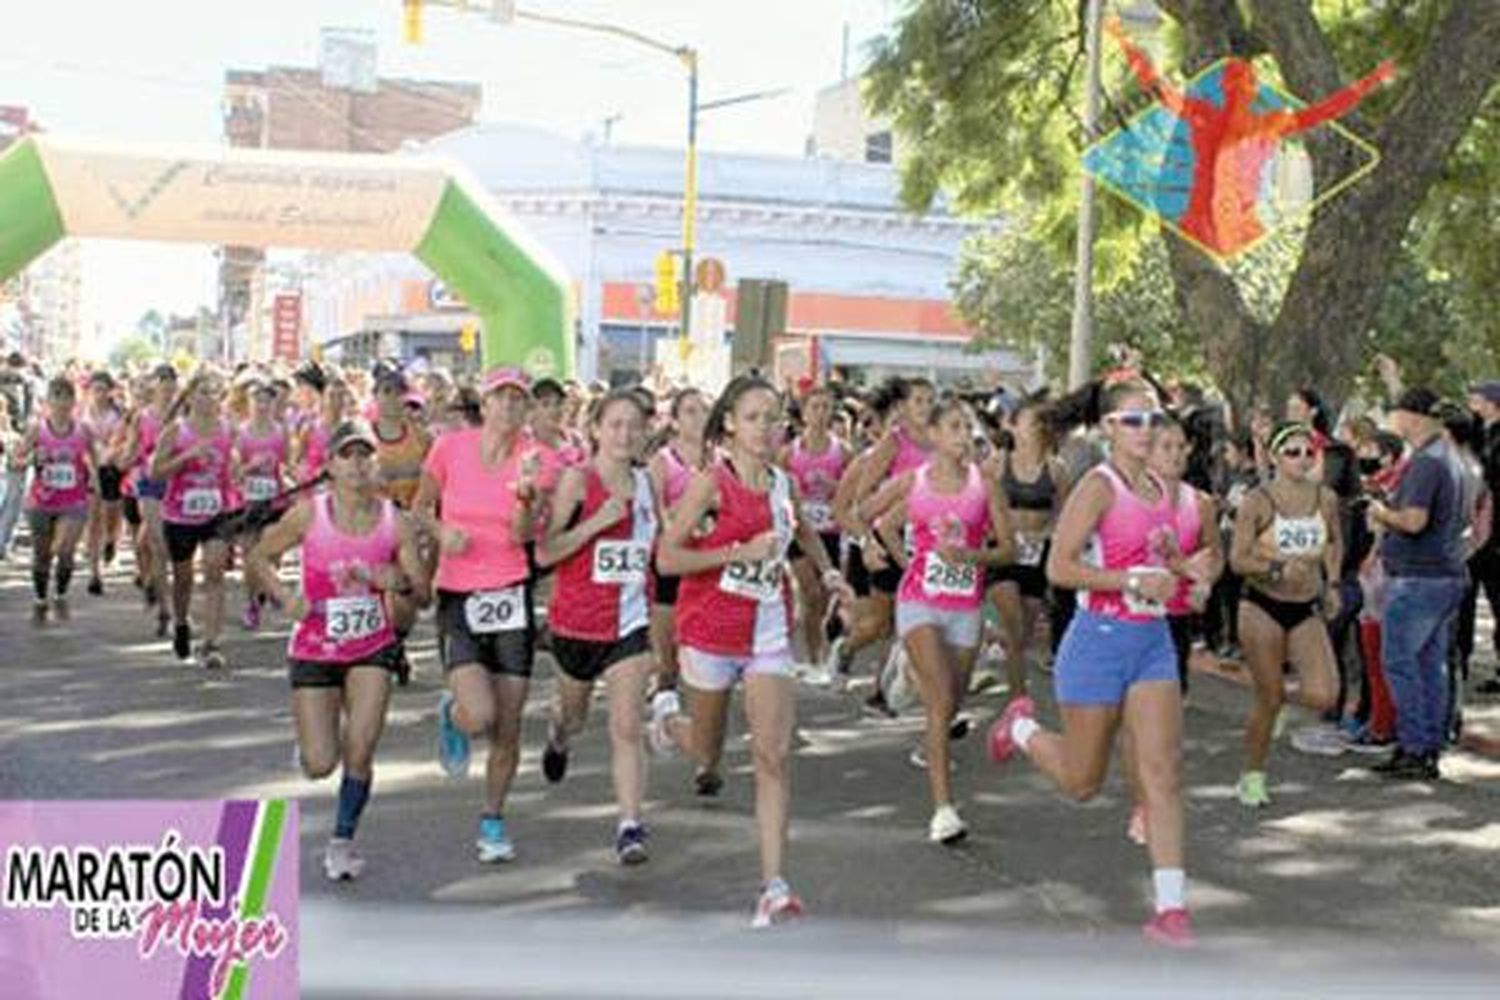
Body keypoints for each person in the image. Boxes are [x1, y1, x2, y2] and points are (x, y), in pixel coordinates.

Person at [986, 380, 1196, 946]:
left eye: (1151, 417)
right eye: (1131, 420)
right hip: (1096, 641)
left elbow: (1167, 560)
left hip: (1150, 639)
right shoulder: (1096, 488)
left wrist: (1181, 575)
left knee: (1163, 773)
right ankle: (1022, 727)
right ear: (1107, 428)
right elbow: (1058, 567)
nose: (1145, 428)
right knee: (1082, 782)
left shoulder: (1162, 488)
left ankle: (1172, 910)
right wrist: (1129, 579)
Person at [651, 374, 845, 928]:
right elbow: (667, 559)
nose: (767, 427)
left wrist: (831, 576)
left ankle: (774, 886)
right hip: (710, 631)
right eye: (755, 416)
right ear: (731, 423)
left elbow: (804, 532)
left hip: (766, 632)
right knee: (706, 753)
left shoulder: (783, 484)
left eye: (774, 415)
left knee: (772, 756)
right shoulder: (710, 484)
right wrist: (735, 553)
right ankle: (670, 725)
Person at [246, 420, 429, 881]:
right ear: (329, 465)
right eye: (347, 455)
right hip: (315, 646)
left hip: (372, 647)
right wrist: (285, 598)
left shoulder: (395, 520)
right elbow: (259, 557)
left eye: (365, 455)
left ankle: (342, 842)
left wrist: (400, 581)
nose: (357, 464)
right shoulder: (309, 515)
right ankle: (309, 750)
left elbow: (423, 594)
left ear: (375, 464)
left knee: (362, 749)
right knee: (320, 762)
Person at [1107, 15, 1395, 255]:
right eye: (1236, 85)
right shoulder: (1207, 116)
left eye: (1245, 85)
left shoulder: (1261, 124)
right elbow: (1157, 87)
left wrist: (1369, 83)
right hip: (1203, 222)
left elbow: (1322, 112)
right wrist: (1122, 40)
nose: (1242, 92)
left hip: (1233, 222)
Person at [860, 397, 1014, 843]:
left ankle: (908, 676)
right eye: (953, 427)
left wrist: (970, 555)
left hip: (964, 605)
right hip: (919, 599)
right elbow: (873, 518)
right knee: (941, 699)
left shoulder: (985, 486)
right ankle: (944, 810)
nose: (963, 436)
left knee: (952, 702)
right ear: (933, 436)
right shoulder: (915, 481)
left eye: (967, 427)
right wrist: (881, 550)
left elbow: (1006, 547)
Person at [413, 367, 545, 863]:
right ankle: (456, 713)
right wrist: (442, 532)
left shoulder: (531, 460)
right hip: (459, 596)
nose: (509, 408)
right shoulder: (450, 448)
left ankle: (492, 819)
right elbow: (420, 507)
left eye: (519, 401)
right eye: (500, 399)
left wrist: (528, 495)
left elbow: (522, 535)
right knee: (481, 715)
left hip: (510, 594)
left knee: (508, 727)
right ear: (484, 405)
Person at [536, 390, 659, 864]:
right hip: (577, 624)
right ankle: (558, 735)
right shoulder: (578, 480)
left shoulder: (647, 484)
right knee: (575, 715)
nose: (625, 434)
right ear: (595, 430)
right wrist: (597, 524)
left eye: (633, 425)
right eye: (615, 425)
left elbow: (659, 543)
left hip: (629, 621)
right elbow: (545, 553)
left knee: (627, 727)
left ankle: (630, 825)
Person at [1228, 422, 1344, 804]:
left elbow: (1334, 542)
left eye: (1308, 452)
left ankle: (1278, 706)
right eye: (1292, 452)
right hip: (1261, 604)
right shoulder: (1258, 501)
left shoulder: (1324, 498)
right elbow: (1238, 559)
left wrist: (1332, 584)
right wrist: (1276, 569)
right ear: (1275, 457)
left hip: (1304, 605)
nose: (1302, 459)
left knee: (1325, 694)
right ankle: (1252, 775)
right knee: (1269, 697)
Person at [1370, 389, 1468, 779]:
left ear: (1411, 416)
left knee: (1401, 662)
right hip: (1443, 574)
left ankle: (1413, 745)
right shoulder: (1449, 457)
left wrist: (1381, 512)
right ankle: (1429, 744)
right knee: (1430, 664)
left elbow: (1413, 520)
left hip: (1419, 576)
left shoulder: (1427, 462)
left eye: (1396, 413)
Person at [152, 370, 236, 668]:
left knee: (215, 570)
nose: (208, 398)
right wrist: (186, 457)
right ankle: (181, 623)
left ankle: (211, 643)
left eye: (214, 392)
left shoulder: (228, 429)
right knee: (183, 578)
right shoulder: (175, 431)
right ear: (190, 397)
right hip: (180, 514)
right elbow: (155, 472)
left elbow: (230, 471)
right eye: (202, 391)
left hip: (217, 513)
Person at [984, 396, 1063, 701]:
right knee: (1016, 625)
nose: (1038, 428)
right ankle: (1019, 700)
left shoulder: (1056, 469)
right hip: (1003, 551)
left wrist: (1045, 532)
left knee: (1023, 636)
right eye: (1032, 422)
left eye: (1043, 422)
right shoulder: (996, 463)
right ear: (1013, 427)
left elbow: (1065, 515)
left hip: (1035, 555)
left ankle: (994, 641)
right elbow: (974, 502)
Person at [645, 387, 708, 718]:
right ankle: (664, 682)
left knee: (699, 635)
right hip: (671, 556)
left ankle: (699, 697)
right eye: (690, 411)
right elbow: (656, 511)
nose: (699, 418)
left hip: (707, 559)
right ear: (675, 420)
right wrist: (679, 527)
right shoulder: (664, 460)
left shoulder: (719, 460)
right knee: (667, 638)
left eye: (703, 410)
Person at [19, 376, 96, 623]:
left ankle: (61, 592)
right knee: (43, 555)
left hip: (73, 501)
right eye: (57, 396)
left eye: (66, 397)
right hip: (41, 502)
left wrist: (94, 476)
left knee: (64, 549)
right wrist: (31, 460)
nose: (62, 402)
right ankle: (41, 598)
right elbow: (16, 459)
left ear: (74, 401)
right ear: (48, 401)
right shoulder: (37, 430)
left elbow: (95, 458)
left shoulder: (83, 430)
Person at [781, 384, 846, 677]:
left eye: (825, 407)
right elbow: (777, 490)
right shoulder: (788, 452)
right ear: (804, 413)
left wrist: (837, 489)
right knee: (808, 591)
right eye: (814, 407)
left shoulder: (842, 450)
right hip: (799, 529)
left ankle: (821, 644)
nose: (820, 413)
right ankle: (814, 656)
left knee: (823, 594)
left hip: (830, 529)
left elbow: (855, 490)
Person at [235, 380, 290, 631]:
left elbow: (287, 463)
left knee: (272, 553)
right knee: (249, 555)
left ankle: (267, 586)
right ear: (249, 402)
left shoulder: (281, 431)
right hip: (247, 500)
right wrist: (250, 466)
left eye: (267, 400)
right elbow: (232, 472)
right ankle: (252, 604)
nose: (262, 405)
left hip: (275, 499)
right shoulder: (241, 432)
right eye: (257, 400)